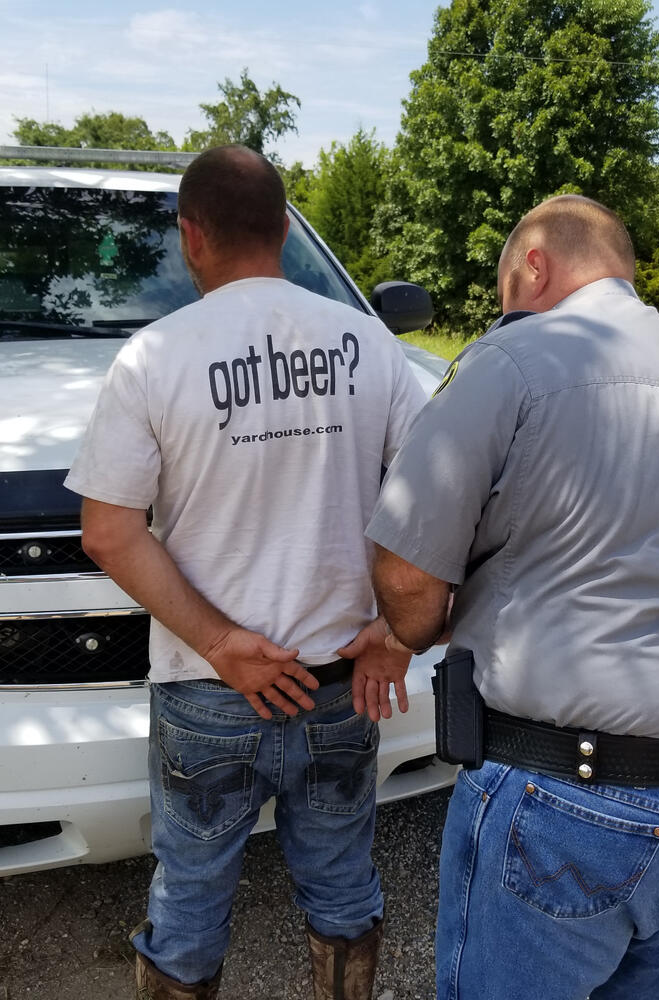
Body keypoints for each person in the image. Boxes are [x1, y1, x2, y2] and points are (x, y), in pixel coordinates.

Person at [366, 194, 659, 999]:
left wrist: (422, 629)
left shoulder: (512, 363)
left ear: (534, 265)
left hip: (561, 801)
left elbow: (405, 569)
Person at [64, 144, 422, 1000]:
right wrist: (399, 634)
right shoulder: (370, 347)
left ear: (192, 236)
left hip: (208, 689)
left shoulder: (154, 357)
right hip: (341, 684)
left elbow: (109, 534)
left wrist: (224, 644)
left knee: (189, 904)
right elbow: (442, 509)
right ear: (286, 227)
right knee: (342, 890)